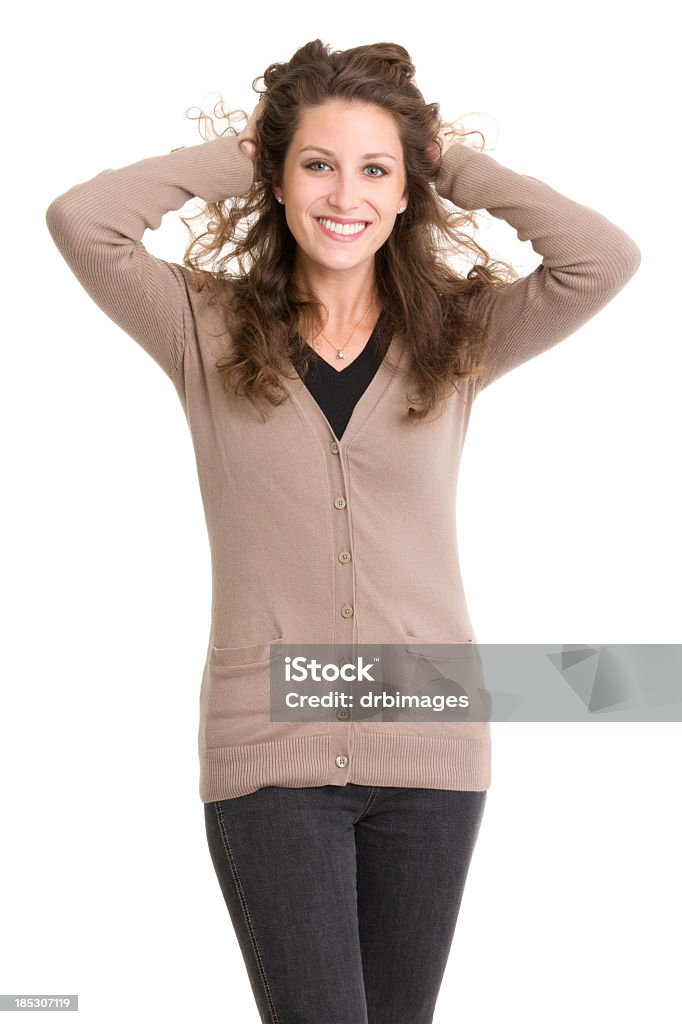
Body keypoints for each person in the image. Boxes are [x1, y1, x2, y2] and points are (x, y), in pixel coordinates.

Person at [45, 38, 641, 1024]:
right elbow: (83, 221)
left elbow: (601, 259)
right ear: (279, 180)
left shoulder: (458, 334)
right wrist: (258, 147)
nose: (344, 194)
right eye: (317, 164)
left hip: (435, 750)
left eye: (375, 170)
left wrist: (447, 159)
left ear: (407, 190)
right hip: (268, 752)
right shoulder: (201, 325)